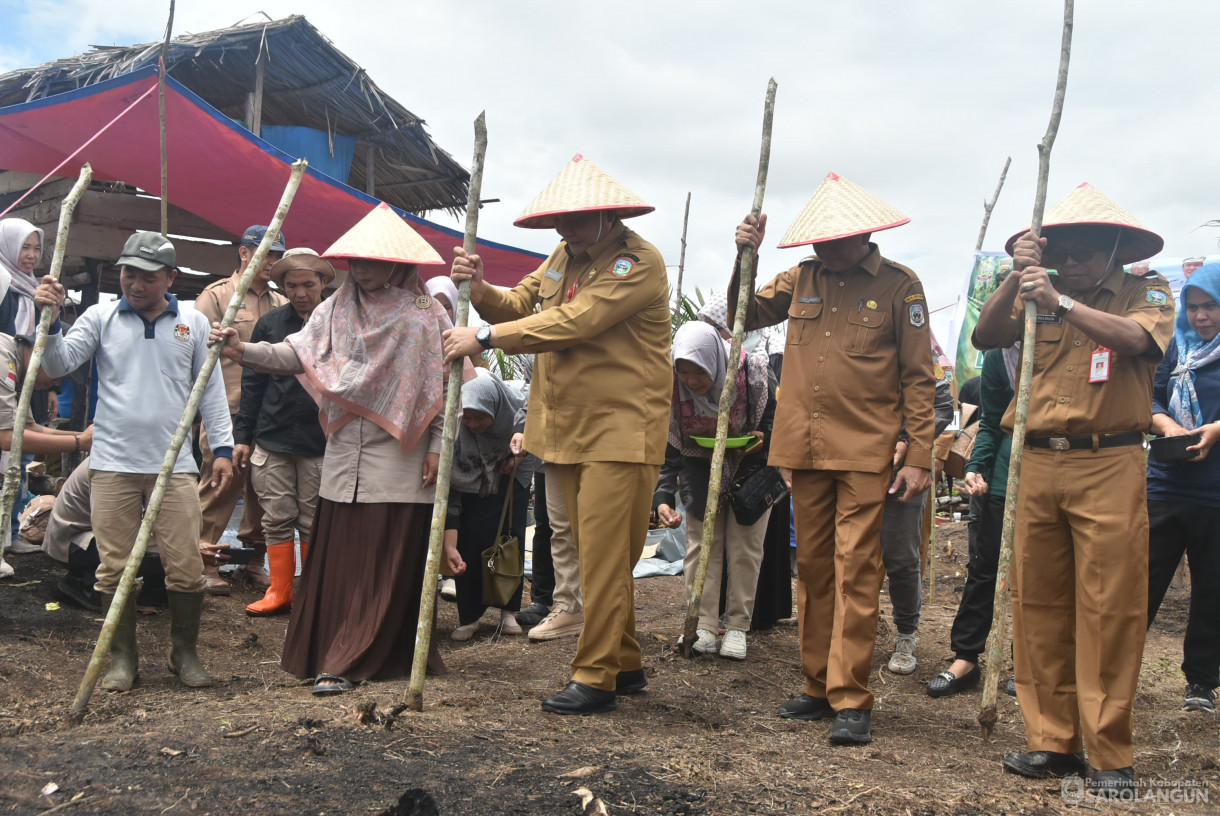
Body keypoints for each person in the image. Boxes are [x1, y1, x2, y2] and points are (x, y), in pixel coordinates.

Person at [444, 154, 671, 714]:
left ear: (607, 215)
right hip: (564, 427)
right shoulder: (560, 255)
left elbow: (576, 322)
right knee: (585, 553)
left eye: (574, 220)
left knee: (604, 558)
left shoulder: (636, 263)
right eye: (558, 221)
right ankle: (626, 662)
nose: (563, 230)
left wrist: (487, 336)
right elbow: (521, 303)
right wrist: (479, 289)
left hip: (620, 430)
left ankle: (596, 676)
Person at [211, 202, 467, 696]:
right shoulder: (334, 309)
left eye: (374, 260)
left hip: (401, 454)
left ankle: (357, 656)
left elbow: (442, 388)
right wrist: (244, 352)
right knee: (343, 554)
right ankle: (333, 649)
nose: (363, 268)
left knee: (383, 554)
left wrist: (437, 446)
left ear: (396, 262)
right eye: (357, 259)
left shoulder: (424, 315)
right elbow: (296, 353)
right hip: (344, 452)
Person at [972, 183, 1174, 795]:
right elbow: (985, 337)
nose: (1075, 260)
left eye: (1086, 250)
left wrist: (1059, 301)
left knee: (1110, 606)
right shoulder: (1033, 290)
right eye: (1062, 250)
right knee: (1037, 602)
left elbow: (1140, 342)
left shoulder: (1147, 289)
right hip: (1033, 461)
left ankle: (1109, 752)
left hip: (1106, 462)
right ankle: (1051, 741)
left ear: (1114, 247)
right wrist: (1018, 276)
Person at [730, 172, 936, 745]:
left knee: (856, 570)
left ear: (862, 233)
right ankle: (816, 685)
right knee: (814, 569)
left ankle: (852, 696)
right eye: (815, 238)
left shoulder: (900, 286)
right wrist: (743, 255)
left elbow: (920, 379)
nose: (822, 247)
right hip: (803, 449)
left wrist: (919, 454)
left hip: (866, 451)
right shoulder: (800, 279)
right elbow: (743, 313)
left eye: (832, 238)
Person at [36, 231, 234, 691]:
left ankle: (184, 653)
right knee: (114, 565)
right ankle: (123, 659)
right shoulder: (101, 316)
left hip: (175, 465)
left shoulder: (193, 323)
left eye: (148, 276)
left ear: (171, 277)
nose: (135, 284)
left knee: (185, 563)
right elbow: (60, 362)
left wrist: (221, 449)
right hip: (112, 462)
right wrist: (48, 320)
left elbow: (211, 392)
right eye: (128, 274)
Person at [654, 321, 775, 660]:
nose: (691, 382)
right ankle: (704, 624)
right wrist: (663, 495)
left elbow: (777, 421)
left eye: (699, 372)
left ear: (715, 362)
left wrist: (763, 437)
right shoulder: (674, 391)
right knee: (702, 546)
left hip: (750, 473)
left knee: (745, 550)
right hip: (700, 472)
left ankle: (737, 627)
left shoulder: (752, 372)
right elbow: (672, 446)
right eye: (684, 372)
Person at [233, 248, 332, 616]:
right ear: (283, 286)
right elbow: (253, 383)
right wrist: (243, 437)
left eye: (308, 284)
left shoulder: (336, 322)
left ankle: (312, 593)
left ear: (323, 283)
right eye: (292, 285)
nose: (301, 292)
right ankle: (280, 590)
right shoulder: (271, 323)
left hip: (319, 439)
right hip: (272, 435)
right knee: (275, 516)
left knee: (314, 518)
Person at [194, 225, 288, 595]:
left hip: (270, 413)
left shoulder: (282, 303)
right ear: (244, 253)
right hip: (227, 409)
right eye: (266, 254)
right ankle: (203, 561)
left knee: (263, 493)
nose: (272, 262)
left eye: (277, 255)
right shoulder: (218, 296)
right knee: (220, 485)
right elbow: (198, 352)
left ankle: (253, 561)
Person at [1146, 261, 1220, 714]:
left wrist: (1217, 429)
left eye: (1210, 306)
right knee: (1142, 580)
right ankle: (1115, 668)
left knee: (1212, 587)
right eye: (1193, 307)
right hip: (1166, 483)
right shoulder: (1175, 347)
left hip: (1215, 491)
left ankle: (1201, 683)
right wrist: (1167, 423)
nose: (1201, 316)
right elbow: (1148, 394)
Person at [926, 347, 1015, 698]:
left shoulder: (1065, 337)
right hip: (999, 480)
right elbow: (990, 422)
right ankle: (965, 658)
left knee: (1037, 579)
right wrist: (977, 466)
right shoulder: (999, 355)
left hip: (1048, 482)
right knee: (983, 569)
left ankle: (1028, 667)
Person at [446, 370, 532, 640]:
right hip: (470, 485)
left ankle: (509, 611)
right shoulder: (457, 431)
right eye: (467, 416)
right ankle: (469, 616)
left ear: (495, 409)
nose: (472, 423)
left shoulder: (517, 407)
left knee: (509, 541)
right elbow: (451, 480)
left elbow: (534, 431)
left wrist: (516, 460)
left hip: (512, 475)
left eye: (480, 416)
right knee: (469, 544)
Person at [880, 364, 953, 675]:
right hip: (851, 462)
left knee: (901, 555)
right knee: (846, 550)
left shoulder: (922, 352)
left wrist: (908, 440)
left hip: (904, 470)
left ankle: (906, 634)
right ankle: (849, 627)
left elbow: (942, 404)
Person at [42, 455, 167, 612]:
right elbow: (124, 525)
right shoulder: (116, 463)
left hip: (89, 535)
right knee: (166, 546)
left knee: (172, 542)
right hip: (74, 541)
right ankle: (87, 585)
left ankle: (155, 590)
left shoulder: (144, 458)